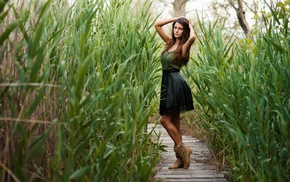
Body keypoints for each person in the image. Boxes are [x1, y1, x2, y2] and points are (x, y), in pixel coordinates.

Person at [154, 17, 196, 169]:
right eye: (175, 28)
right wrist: (176, 19)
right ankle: (180, 159)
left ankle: (184, 150)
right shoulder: (169, 43)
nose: (177, 31)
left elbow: (193, 37)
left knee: (164, 120)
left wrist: (189, 24)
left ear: (184, 31)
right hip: (167, 83)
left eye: (180, 29)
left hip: (176, 85)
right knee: (175, 123)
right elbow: (157, 25)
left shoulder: (184, 47)